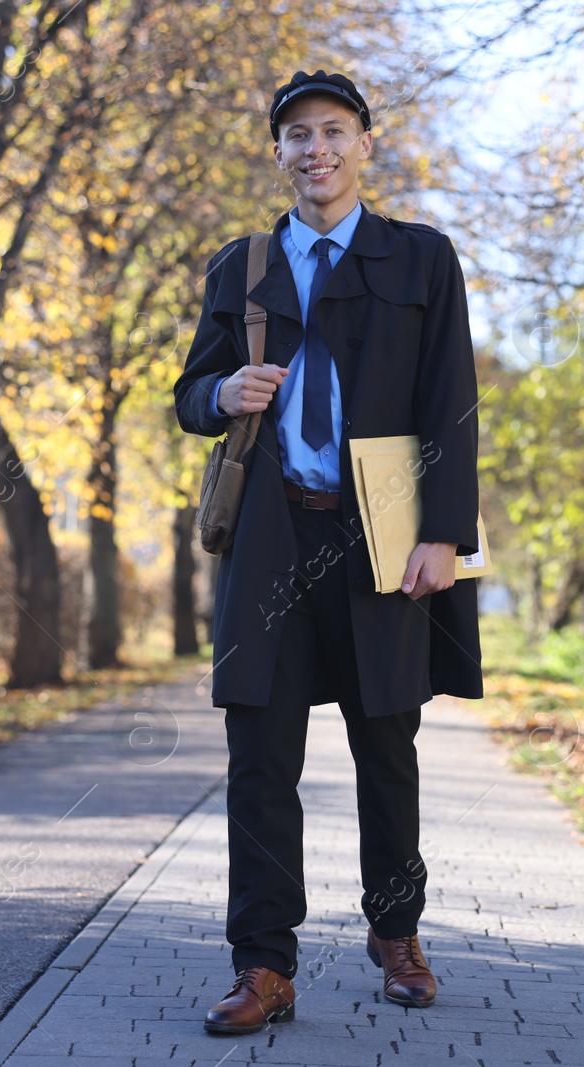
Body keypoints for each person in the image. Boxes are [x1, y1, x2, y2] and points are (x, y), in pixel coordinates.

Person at [173, 69, 483, 1035]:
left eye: (335, 131)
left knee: (386, 743)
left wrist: (444, 533)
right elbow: (189, 393)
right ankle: (263, 964)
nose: (318, 149)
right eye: (298, 134)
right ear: (279, 152)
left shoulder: (422, 259)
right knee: (260, 754)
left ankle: (398, 936)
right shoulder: (242, 264)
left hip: (380, 535)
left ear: (364, 144)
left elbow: (452, 403)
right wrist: (221, 396)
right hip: (270, 537)